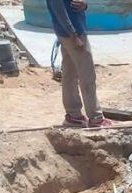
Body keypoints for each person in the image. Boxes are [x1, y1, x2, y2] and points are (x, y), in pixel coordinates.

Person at [46, 0, 112, 128]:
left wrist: (84, 5)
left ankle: (73, 116)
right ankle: (96, 118)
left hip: (68, 31)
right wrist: (73, 35)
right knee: (87, 75)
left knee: (69, 74)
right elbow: (59, 10)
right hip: (72, 34)